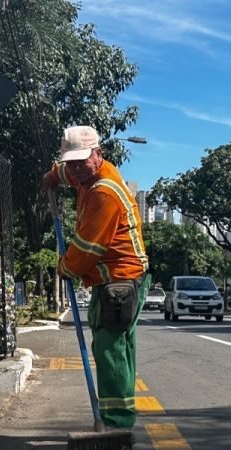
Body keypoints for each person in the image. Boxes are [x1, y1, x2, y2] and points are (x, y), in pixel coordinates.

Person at [43, 125, 149, 431]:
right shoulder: (84, 174)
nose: (76, 169)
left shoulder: (104, 192)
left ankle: (116, 424)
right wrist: (52, 176)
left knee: (110, 349)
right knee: (118, 346)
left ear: (98, 155)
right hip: (118, 278)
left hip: (119, 279)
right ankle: (121, 418)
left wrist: (65, 267)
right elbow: (70, 174)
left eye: (82, 161)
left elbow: (87, 249)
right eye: (70, 163)